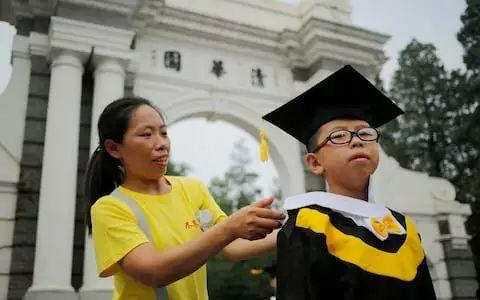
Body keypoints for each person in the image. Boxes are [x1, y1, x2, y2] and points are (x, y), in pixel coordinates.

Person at [262, 65, 437, 299]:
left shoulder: (404, 228)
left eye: (365, 133)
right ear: (314, 162)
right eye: (339, 136)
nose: (357, 141)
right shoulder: (307, 226)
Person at [84, 96, 284, 300]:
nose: (162, 144)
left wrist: (298, 230)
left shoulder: (192, 189)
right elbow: (154, 271)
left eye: (164, 133)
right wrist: (229, 228)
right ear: (114, 148)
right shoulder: (110, 208)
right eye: (146, 135)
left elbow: (232, 246)